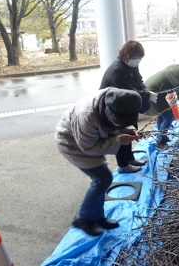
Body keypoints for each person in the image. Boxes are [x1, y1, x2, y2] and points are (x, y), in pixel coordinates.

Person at [55, 87, 142, 236]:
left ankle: (97, 217)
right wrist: (119, 140)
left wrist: (126, 130)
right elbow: (89, 147)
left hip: (89, 141)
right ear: (108, 111)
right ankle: (83, 218)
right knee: (102, 178)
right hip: (72, 143)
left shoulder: (116, 100)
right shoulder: (87, 116)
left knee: (103, 179)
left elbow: (114, 124)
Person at [100, 40, 158, 173]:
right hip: (114, 106)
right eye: (135, 58)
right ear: (126, 55)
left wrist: (146, 90)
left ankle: (130, 158)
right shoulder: (117, 70)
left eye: (139, 59)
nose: (137, 61)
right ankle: (123, 166)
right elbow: (128, 91)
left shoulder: (131, 65)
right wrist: (147, 95)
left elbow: (139, 81)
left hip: (126, 104)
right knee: (122, 134)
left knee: (131, 131)